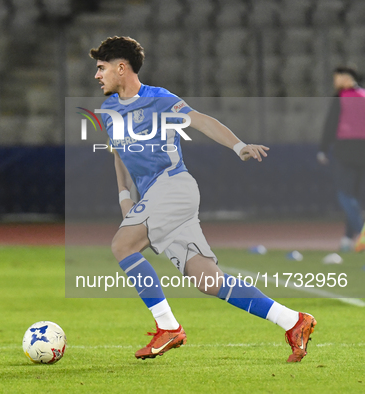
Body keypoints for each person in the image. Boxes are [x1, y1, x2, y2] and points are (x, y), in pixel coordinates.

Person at [89, 36, 316, 362]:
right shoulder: (109, 108)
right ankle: (293, 321)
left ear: (121, 68)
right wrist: (125, 196)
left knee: (122, 246)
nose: (97, 75)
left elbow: (202, 121)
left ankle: (168, 327)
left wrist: (239, 146)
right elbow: (119, 155)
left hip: (173, 188)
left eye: (102, 68)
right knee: (209, 280)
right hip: (156, 197)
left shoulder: (159, 99)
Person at [318, 66, 365, 253]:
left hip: (345, 151)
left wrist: (322, 149)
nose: (335, 82)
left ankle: (360, 233)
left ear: (347, 78)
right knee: (356, 197)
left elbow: (331, 123)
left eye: (337, 78)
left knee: (345, 195)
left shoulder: (341, 98)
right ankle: (347, 238)